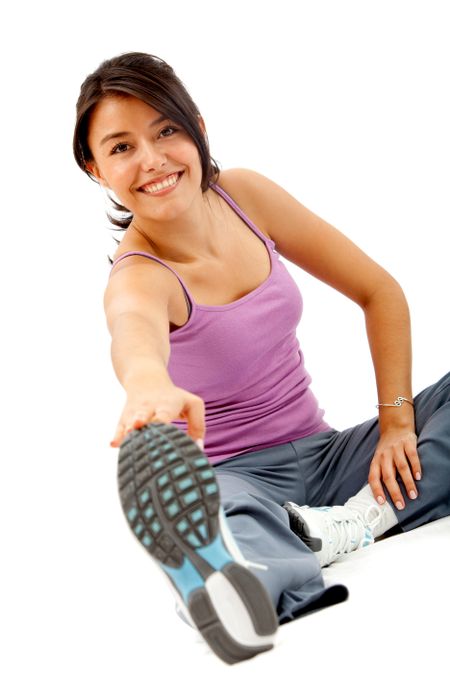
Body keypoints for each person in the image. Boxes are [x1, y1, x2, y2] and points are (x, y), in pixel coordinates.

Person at [73, 52, 450, 664]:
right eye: (120, 148)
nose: (152, 159)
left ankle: (334, 528)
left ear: (195, 125)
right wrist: (146, 387)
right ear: (95, 169)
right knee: (234, 530)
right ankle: (239, 574)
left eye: (166, 129)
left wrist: (398, 423)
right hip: (236, 479)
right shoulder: (138, 278)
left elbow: (380, 292)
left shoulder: (245, 196)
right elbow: (133, 335)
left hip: (329, 457)